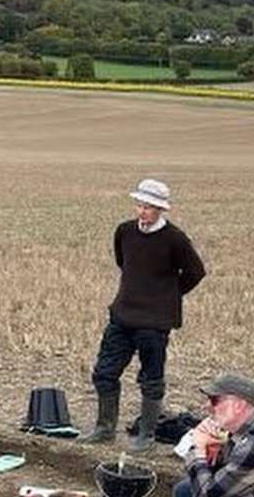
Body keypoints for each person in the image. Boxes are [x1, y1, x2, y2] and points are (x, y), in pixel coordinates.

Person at [82, 178, 205, 451]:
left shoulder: (175, 239)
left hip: (154, 324)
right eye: (139, 205)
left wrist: (167, 298)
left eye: (149, 207)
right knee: (104, 372)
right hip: (122, 316)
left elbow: (196, 272)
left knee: (151, 379)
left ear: (160, 209)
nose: (142, 212)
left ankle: (146, 435)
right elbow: (122, 262)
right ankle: (104, 429)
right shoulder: (124, 232)